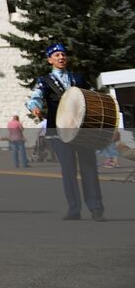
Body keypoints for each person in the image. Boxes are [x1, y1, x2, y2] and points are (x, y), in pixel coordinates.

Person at [27, 42, 104, 221]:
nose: (61, 57)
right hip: (59, 132)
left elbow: (93, 97)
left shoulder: (79, 78)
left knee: (89, 168)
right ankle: (74, 209)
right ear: (49, 60)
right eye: (57, 55)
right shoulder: (44, 81)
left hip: (82, 129)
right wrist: (35, 108)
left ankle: (96, 207)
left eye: (63, 54)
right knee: (68, 170)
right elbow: (35, 98)